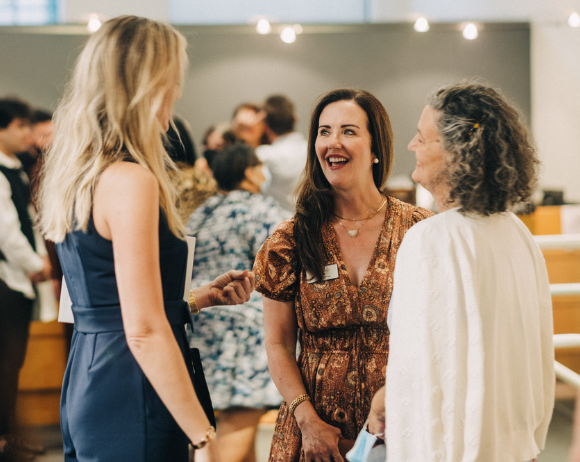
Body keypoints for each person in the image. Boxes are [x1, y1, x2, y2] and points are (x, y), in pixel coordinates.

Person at [37, 16, 254, 462]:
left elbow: (106, 303)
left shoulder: (80, 175)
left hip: (89, 375)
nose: (177, 91)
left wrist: (194, 300)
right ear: (149, 81)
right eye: (174, 77)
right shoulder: (131, 180)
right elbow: (143, 330)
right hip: (134, 384)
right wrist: (203, 434)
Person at [367, 82, 554, 462]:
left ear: (456, 152)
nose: (411, 147)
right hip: (512, 445)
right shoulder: (517, 233)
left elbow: (416, 365)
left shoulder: (430, 240)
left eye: (422, 137)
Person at [253, 88, 432, 462]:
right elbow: (279, 344)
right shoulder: (290, 238)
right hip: (314, 436)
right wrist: (307, 421)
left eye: (349, 131)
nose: (333, 142)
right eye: (324, 131)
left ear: (376, 146)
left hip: (401, 426)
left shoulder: (419, 230)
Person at [186, 143, 290, 462]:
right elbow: (286, 257)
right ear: (249, 172)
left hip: (199, 321)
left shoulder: (200, 213)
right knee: (240, 412)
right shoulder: (261, 210)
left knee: (209, 420)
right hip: (245, 328)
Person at [0, 97, 51, 462]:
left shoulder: (16, 168)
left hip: (20, 281)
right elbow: (6, 232)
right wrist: (35, 264)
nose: (26, 132)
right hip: (8, 280)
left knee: (12, 362)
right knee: (5, 362)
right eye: (19, 125)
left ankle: (8, 436)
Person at [256, 95, 307, 213]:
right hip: (311, 224)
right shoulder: (314, 151)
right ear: (295, 119)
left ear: (265, 126)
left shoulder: (264, 156)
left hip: (276, 226)